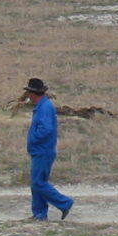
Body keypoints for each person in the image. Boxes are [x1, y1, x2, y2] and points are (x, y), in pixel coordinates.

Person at [23, 78, 74, 221]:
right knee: (37, 182)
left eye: (29, 93)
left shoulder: (45, 107)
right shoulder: (43, 105)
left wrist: (33, 139)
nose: (28, 96)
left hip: (42, 151)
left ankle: (64, 203)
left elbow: (46, 129)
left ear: (34, 93)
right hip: (40, 150)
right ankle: (39, 214)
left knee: (38, 183)